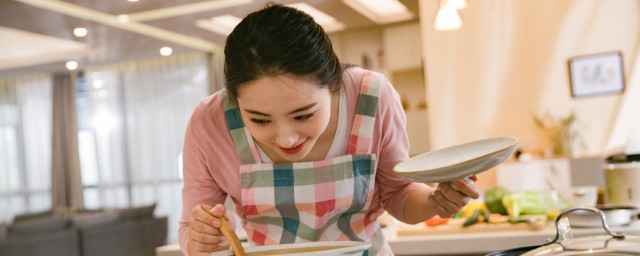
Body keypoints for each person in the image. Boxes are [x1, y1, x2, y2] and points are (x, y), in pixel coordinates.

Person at [179, 4, 479, 256]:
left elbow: (398, 195)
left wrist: (434, 202)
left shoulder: (370, 97)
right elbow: (192, 229)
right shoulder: (210, 122)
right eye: (259, 120)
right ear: (233, 98)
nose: (286, 138)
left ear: (335, 86)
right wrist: (203, 239)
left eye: (303, 115)